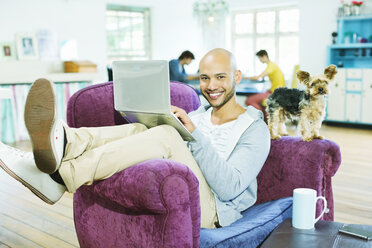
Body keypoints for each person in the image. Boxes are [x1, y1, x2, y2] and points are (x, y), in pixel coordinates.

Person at [0, 48, 270, 229]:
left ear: (236, 76)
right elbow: (183, 153)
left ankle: (59, 178)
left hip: (214, 211)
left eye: (220, 77)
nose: (211, 86)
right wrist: (159, 119)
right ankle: (65, 140)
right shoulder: (198, 114)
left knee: (166, 135)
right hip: (186, 186)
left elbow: (230, 187)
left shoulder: (254, 129)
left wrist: (193, 136)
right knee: (146, 130)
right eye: (204, 78)